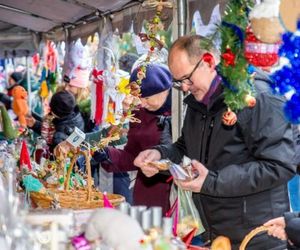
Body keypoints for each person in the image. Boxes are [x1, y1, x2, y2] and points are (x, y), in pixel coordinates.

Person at [134, 35, 297, 249]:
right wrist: (160, 155)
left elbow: (280, 165)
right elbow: (186, 146)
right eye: (178, 82)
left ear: (209, 62)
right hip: (218, 231)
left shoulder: (258, 96)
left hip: (259, 235)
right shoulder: (197, 103)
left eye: (187, 78)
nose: (184, 88)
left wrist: (211, 182)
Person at [93, 63, 173, 213]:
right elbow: (132, 156)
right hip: (148, 197)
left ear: (165, 90)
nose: (142, 103)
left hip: (178, 196)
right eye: (139, 98)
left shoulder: (182, 112)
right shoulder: (139, 114)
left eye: (147, 97)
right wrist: (108, 155)